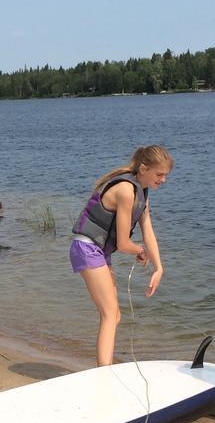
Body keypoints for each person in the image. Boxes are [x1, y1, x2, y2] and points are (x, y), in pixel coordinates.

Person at [71, 144, 171, 366]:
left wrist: (159, 268)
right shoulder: (126, 191)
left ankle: (104, 367)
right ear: (144, 168)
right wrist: (140, 251)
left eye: (166, 176)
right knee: (109, 314)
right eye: (159, 174)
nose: (163, 180)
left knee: (115, 315)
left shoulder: (142, 192)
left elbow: (148, 231)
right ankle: (104, 373)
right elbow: (125, 243)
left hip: (97, 251)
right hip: (87, 247)